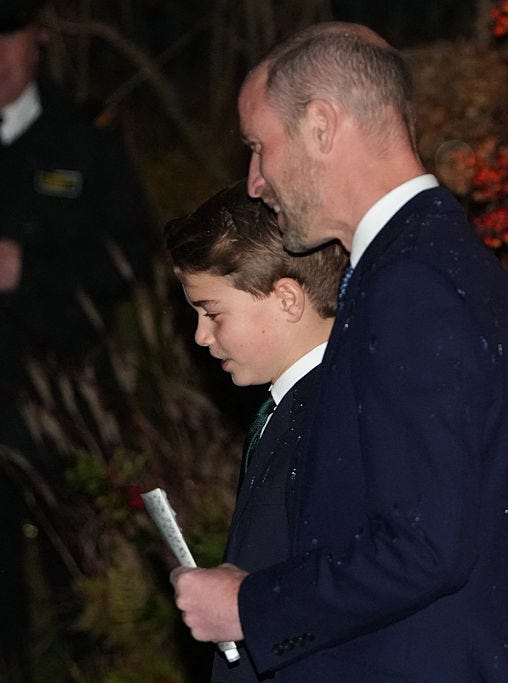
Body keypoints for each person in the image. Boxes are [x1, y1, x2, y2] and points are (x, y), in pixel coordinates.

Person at [170, 22, 508, 681]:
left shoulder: (411, 282)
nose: (255, 181)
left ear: (321, 125)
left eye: (260, 147)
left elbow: (427, 544)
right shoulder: (432, 260)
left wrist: (249, 604)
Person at [0, 0, 152, 675]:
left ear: (37, 41)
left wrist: (27, 269)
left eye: (9, 37)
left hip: (64, 390)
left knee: (75, 567)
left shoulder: (84, 136)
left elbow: (131, 253)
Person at [164, 180, 344, 680]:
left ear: (287, 299)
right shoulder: (284, 408)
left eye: (212, 312)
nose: (201, 336)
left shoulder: (331, 416)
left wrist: (247, 604)